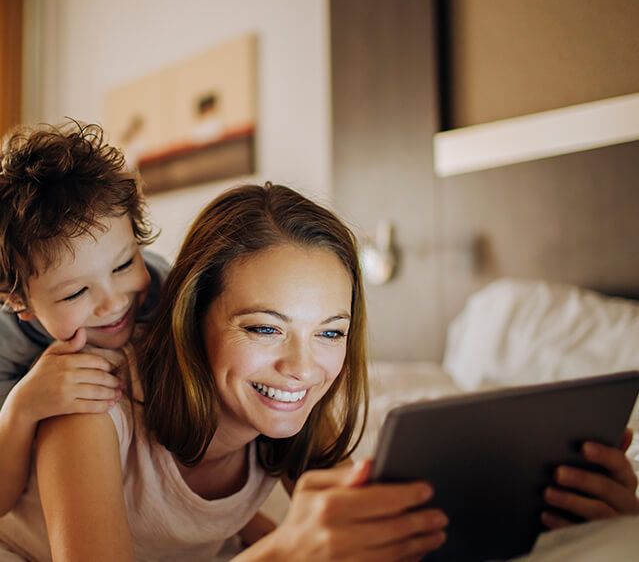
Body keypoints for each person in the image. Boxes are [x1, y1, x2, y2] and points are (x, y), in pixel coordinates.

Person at [0, 183, 449, 561]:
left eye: (330, 334)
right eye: (265, 328)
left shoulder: (301, 398)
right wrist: (285, 552)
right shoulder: (86, 398)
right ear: (190, 315)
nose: (301, 368)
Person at [0, 121, 170, 517]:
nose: (113, 302)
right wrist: (22, 408)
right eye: (76, 292)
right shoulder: (8, 344)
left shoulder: (165, 288)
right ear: (20, 302)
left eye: (125, 263)